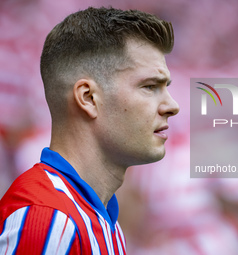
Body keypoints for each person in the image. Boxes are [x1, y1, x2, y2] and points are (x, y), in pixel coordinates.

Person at [0, 6, 179, 254]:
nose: (172, 106)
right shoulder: (50, 219)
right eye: (149, 87)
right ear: (88, 98)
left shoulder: (104, 222)